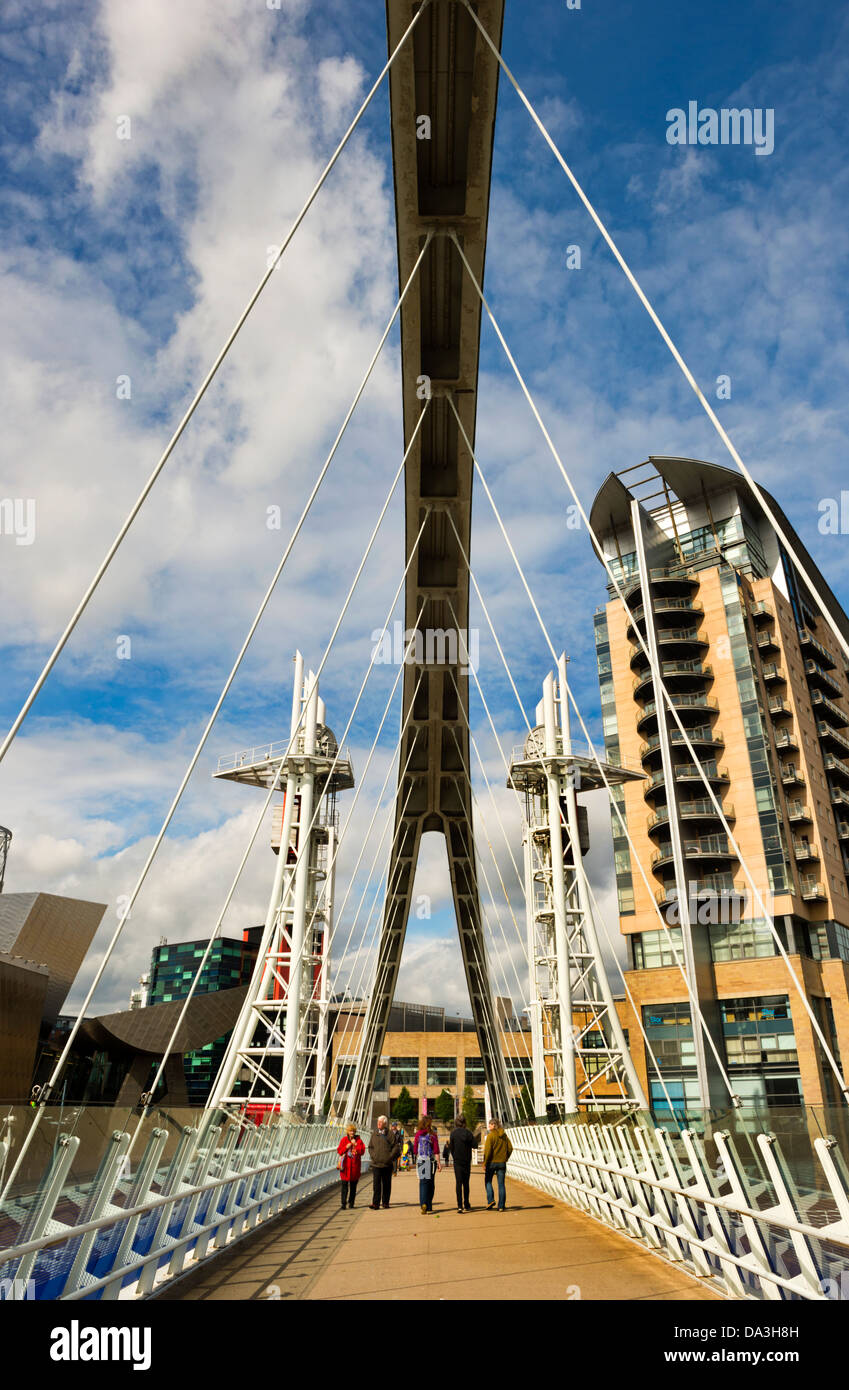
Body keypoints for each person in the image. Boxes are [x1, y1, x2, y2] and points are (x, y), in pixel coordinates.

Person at [368, 1114, 401, 1209]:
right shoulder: (374, 1134)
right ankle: (375, 1203)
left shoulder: (390, 1134)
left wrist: (389, 1157)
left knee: (386, 1184)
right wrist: (373, 1156)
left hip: (387, 1164)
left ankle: (385, 1202)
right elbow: (370, 1147)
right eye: (378, 1122)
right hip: (376, 1164)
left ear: (385, 1123)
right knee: (376, 1185)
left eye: (381, 1122)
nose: (378, 1123)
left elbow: (396, 1147)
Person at [448, 1114, 479, 1212]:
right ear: (465, 1122)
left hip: (457, 1161)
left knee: (458, 1183)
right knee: (466, 1183)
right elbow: (475, 1145)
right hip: (466, 1160)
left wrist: (454, 1156)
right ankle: (466, 1203)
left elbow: (451, 1148)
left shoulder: (453, 1133)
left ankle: (459, 1205)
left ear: (456, 1123)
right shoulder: (468, 1133)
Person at [483, 1116, 513, 1211]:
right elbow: (510, 1148)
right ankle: (501, 1206)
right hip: (502, 1163)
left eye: (490, 1124)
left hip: (491, 1163)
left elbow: (487, 1151)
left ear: (493, 1125)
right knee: (501, 1184)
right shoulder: (504, 1136)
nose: (489, 1126)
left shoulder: (490, 1136)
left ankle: (491, 1200)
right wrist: (506, 1157)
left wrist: (484, 1163)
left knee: (488, 1181)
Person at [413, 1115, 441, 1214]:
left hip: (421, 1161)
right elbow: (436, 1150)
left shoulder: (417, 1135)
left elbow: (415, 1150)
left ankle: (423, 1204)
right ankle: (428, 1204)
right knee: (431, 1184)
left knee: (423, 1183)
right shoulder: (433, 1135)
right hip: (431, 1161)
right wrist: (439, 1163)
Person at [336, 1123, 365, 1210]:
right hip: (345, 1167)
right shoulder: (344, 1140)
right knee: (344, 1185)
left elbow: (362, 1151)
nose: (352, 1132)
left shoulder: (359, 1140)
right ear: (347, 1132)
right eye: (350, 1131)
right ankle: (343, 1203)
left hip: (355, 1167)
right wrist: (346, 1146)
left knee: (353, 1186)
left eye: (353, 1131)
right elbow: (339, 1151)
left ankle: (351, 1203)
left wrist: (355, 1145)